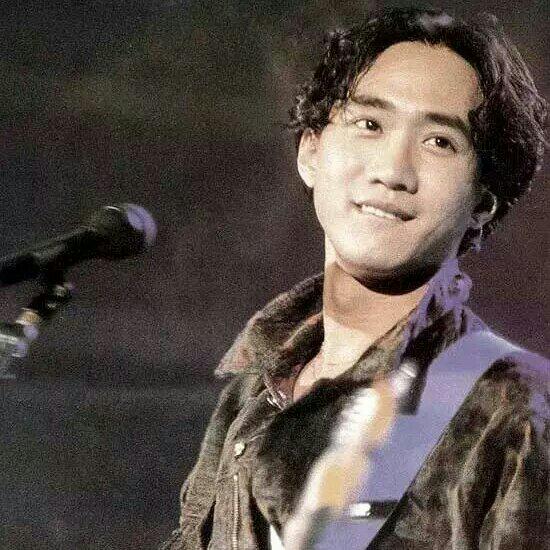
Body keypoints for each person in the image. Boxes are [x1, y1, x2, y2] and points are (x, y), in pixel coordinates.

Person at [160, 7, 548, 550]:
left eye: (440, 142)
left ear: (482, 203)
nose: (392, 171)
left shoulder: (515, 409)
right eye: (370, 124)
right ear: (311, 152)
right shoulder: (251, 393)